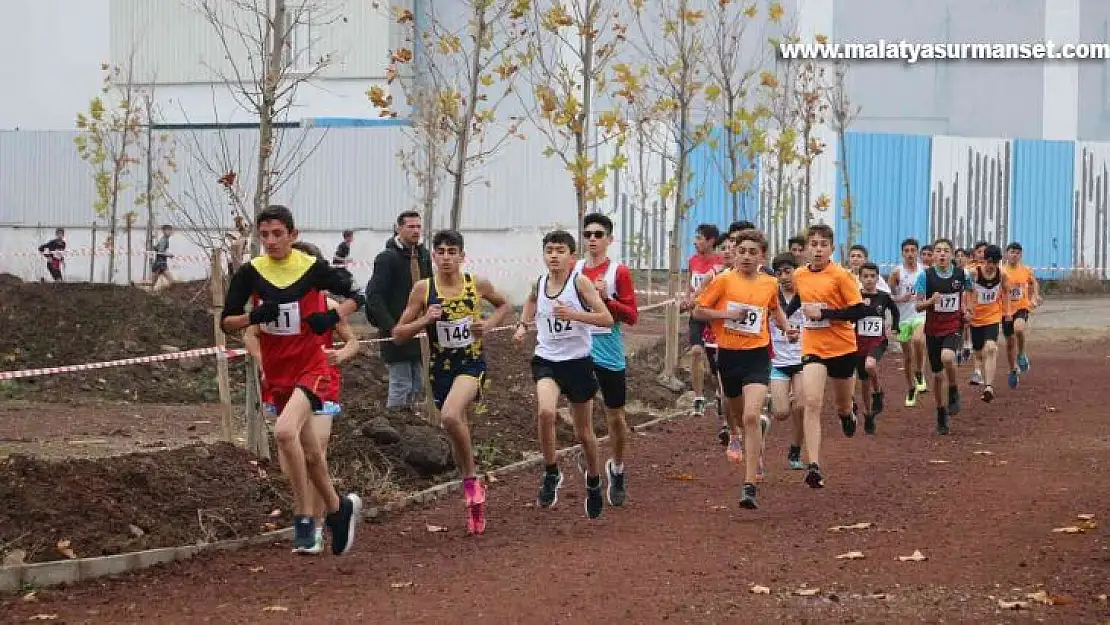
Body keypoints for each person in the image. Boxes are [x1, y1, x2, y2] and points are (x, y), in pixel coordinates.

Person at [221, 205, 363, 555]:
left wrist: (331, 315)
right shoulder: (252, 272)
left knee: (285, 432)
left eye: (277, 234)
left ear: (292, 235)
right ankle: (337, 508)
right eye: (264, 235)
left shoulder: (311, 269)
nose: (270, 241)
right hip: (278, 371)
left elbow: (358, 296)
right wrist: (253, 316)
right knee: (309, 454)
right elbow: (227, 322)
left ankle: (303, 519)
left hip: (313, 367)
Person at [392, 230, 512, 535]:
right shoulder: (423, 289)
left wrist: (487, 324)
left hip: (471, 364)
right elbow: (398, 333)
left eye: (452, 252)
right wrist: (424, 320)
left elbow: (504, 306)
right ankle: (474, 495)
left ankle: (471, 482)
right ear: (433, 256)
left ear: (462, 256)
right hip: (440, 369)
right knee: (456, 426)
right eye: (440, 252)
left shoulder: (476, 285)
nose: (446, 258)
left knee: (449, 416)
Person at [514, 230, 614, 519]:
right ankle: (551, 472)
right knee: (546, 413)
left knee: (584, 433)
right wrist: (523, 324)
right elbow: (532, 301)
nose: (554, 255)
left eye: (560, 250)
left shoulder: (579, 282)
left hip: (578, 363)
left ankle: (594, 481)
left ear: (572, 257)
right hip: (547, 360)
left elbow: (605, 318)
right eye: (549, 250)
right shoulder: (540, 282)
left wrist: (574, 315)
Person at [694, 229, 795, 509]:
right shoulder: (723, 281)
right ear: (735, 254)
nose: (747, 257)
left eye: (753, 252)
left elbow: (774, 310)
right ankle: (748, 441)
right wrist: (726, 314)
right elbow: (699, 312)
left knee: (751, 415)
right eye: (742, 251)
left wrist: (787, 329)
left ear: (762, 256)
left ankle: (749, 485)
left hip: (758, 357)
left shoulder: (769, 283)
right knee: (737, 414)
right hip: (728, 357)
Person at [789, 224, 867, 489]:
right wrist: (786, 318)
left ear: (832, 249)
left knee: (842, 405)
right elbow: (800, 299)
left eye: (823, 244)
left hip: (842, 348)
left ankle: (848, 414)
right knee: (811, 402)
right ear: (807, 248)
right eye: (814, 244)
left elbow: (858, 312)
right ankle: (814, 465)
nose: (818, 249)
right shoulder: (799, 274)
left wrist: (825, 315)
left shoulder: (841, 276)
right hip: (812, 346)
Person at [574, 213, 638, 507]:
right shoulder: (573, 270)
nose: (592, 239)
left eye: (599, 234)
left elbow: (632, 316)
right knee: (579, 411)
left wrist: (606, 299)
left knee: (615, 416)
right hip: (578, 349)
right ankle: (589, 458)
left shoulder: (618, 272)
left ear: (610, 240)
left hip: (609, 349)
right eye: (588, 234)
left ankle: (619, 467)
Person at [367, 211, 433, 411]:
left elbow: (430, 286)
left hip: (420, 329)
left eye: (418, 226)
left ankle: (411, 424)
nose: (416, 231)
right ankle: (394, 422)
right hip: (396, 329)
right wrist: (391, 326)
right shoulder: (387, 258)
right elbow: (374, 296)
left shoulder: (422, 255)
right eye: (410, 227)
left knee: (417, 384)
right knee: (401, 383)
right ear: (399, 228)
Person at [913, 238, 972, 435]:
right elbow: (918, 305)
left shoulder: (961, 274)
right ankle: (941, 413)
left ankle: (954, 389)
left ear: (952, 254)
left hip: (953, 325)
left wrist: (968, 308)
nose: (942, 254)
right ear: (934, 254)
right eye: (938, 250)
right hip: (932, 329)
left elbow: (970, 291)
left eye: (946, 251)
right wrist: (931, 301)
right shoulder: (925, 276)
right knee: (937, 376)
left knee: (948, 357)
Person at [768, 252, 806, 471]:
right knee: (781, 413)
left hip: (803, 359)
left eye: (787, 271)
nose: (783, 276)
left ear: (796, 271)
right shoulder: (771, 297)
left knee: (801, 406)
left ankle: (796, 448)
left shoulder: (806, 294)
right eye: (779, 273)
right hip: (779, 362)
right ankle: (788, 398)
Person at [682, 224, 724, 419]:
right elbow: (690, 284)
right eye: (695, 238)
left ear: (711, 241)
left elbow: (708, 284)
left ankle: (720, 393)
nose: (695, 242)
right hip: (697, 314)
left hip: (714, 316)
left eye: (699, 238)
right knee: (696, 351)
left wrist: (694, 298)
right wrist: (687, 298)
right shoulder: (692, 261)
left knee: (716, 361)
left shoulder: (720, 261)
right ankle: (698, 398)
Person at [855, 263, 899, 435]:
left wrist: (894, 328)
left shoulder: (884, 297)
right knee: (864, 383)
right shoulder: (855, 296)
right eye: (865, 276)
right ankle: (868, 414)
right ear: (860, 278)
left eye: (872, 276)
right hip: (859, 343)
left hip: (877, 341)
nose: (869, 280)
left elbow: (895, 312)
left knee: (870, 365)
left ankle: (879, 392)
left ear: (877, 278)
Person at [966, 244, 1010, 402]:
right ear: (984, 260)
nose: (991, 266)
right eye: (989, 262)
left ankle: (989, 387)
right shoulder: (973, 273)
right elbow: (966, 292)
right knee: (978, 352)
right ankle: (979, 367)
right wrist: (967, 310)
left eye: (995, 263)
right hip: (976, 318)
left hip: (993, 316)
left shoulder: (1002, 274)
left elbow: (1006, 291)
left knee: (991, 348)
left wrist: (1008, 312)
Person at [888, 238, 929, 407]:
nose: (910, 254)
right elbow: (887, 297)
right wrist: (900, 298)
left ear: (917, 252)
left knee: (919, 340)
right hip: (903, 318)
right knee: (906, 358)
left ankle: (919, 372)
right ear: (902, 253)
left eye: (913, 250)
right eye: (907, 251)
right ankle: (910, 388)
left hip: (920, 314)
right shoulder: (896, 273)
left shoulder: (925, 271)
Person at [1001, 242, 1040, 388]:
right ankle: (1012, 369)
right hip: (1005, 310)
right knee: (1010, 342)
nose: (1014, 255)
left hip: (1021, 307)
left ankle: (1022, 354)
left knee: (1019, 329)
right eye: (1012, 252)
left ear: (1021, 255)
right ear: (1006, 253)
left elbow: (1034, 283)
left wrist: (1034, 297)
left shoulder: (1026, 270)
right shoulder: (1001, 271)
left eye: (1017, 252)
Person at [150, 224, 175, 292]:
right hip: (160, 264)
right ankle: (160, 290)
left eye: (170, 230)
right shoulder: (164, 240)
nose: (170, 232)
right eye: (168, 230)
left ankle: (154, 292)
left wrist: (153, 245)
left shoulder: (164, 239)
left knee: (153, 283)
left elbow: (156, 249)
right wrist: (169, 255)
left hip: (160, 263)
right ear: (164, 231)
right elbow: (161, 252)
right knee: (171, 280)